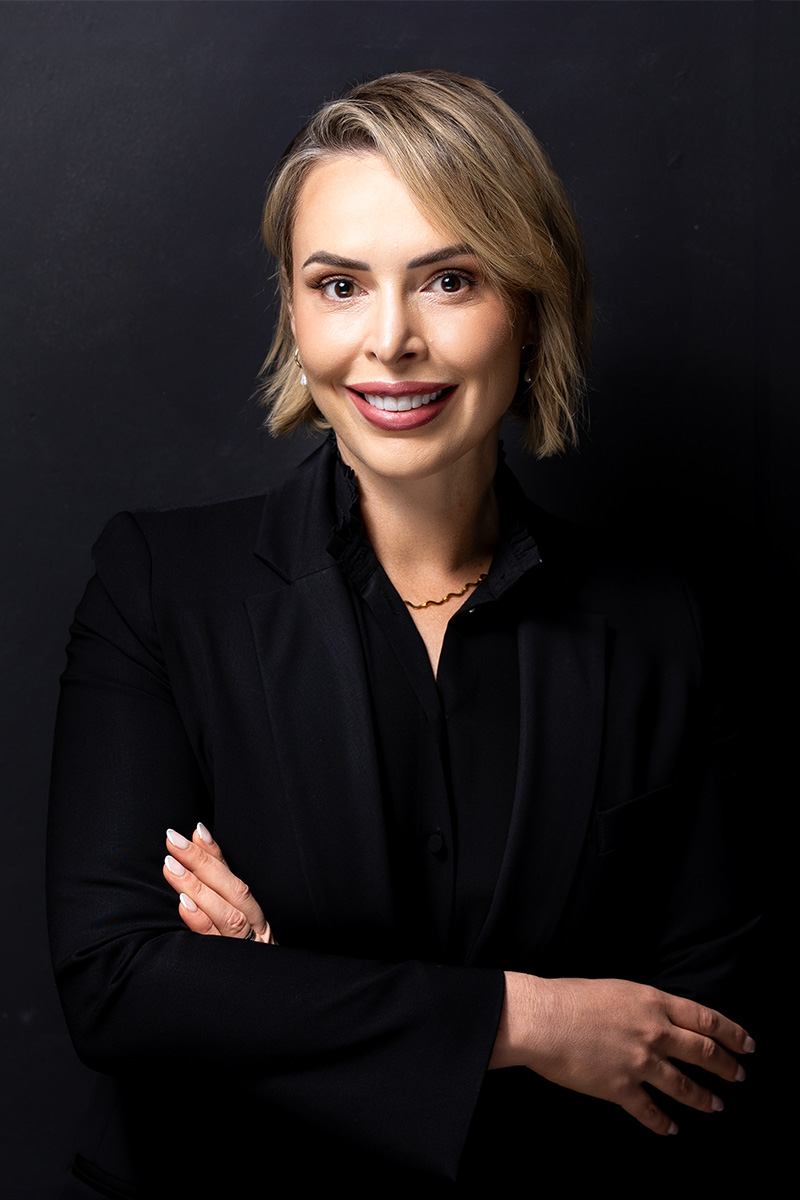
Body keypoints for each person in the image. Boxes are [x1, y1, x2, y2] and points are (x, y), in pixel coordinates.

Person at [48, 71, 757, 1196]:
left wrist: (274, 990)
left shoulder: (663, 628)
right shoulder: (158, 589)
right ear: (292, 309)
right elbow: (120, 989)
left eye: (449, 279)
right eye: (338, 284)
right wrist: (524, 1019)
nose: (389, 340)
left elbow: (688, 1056)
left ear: (531, 302)